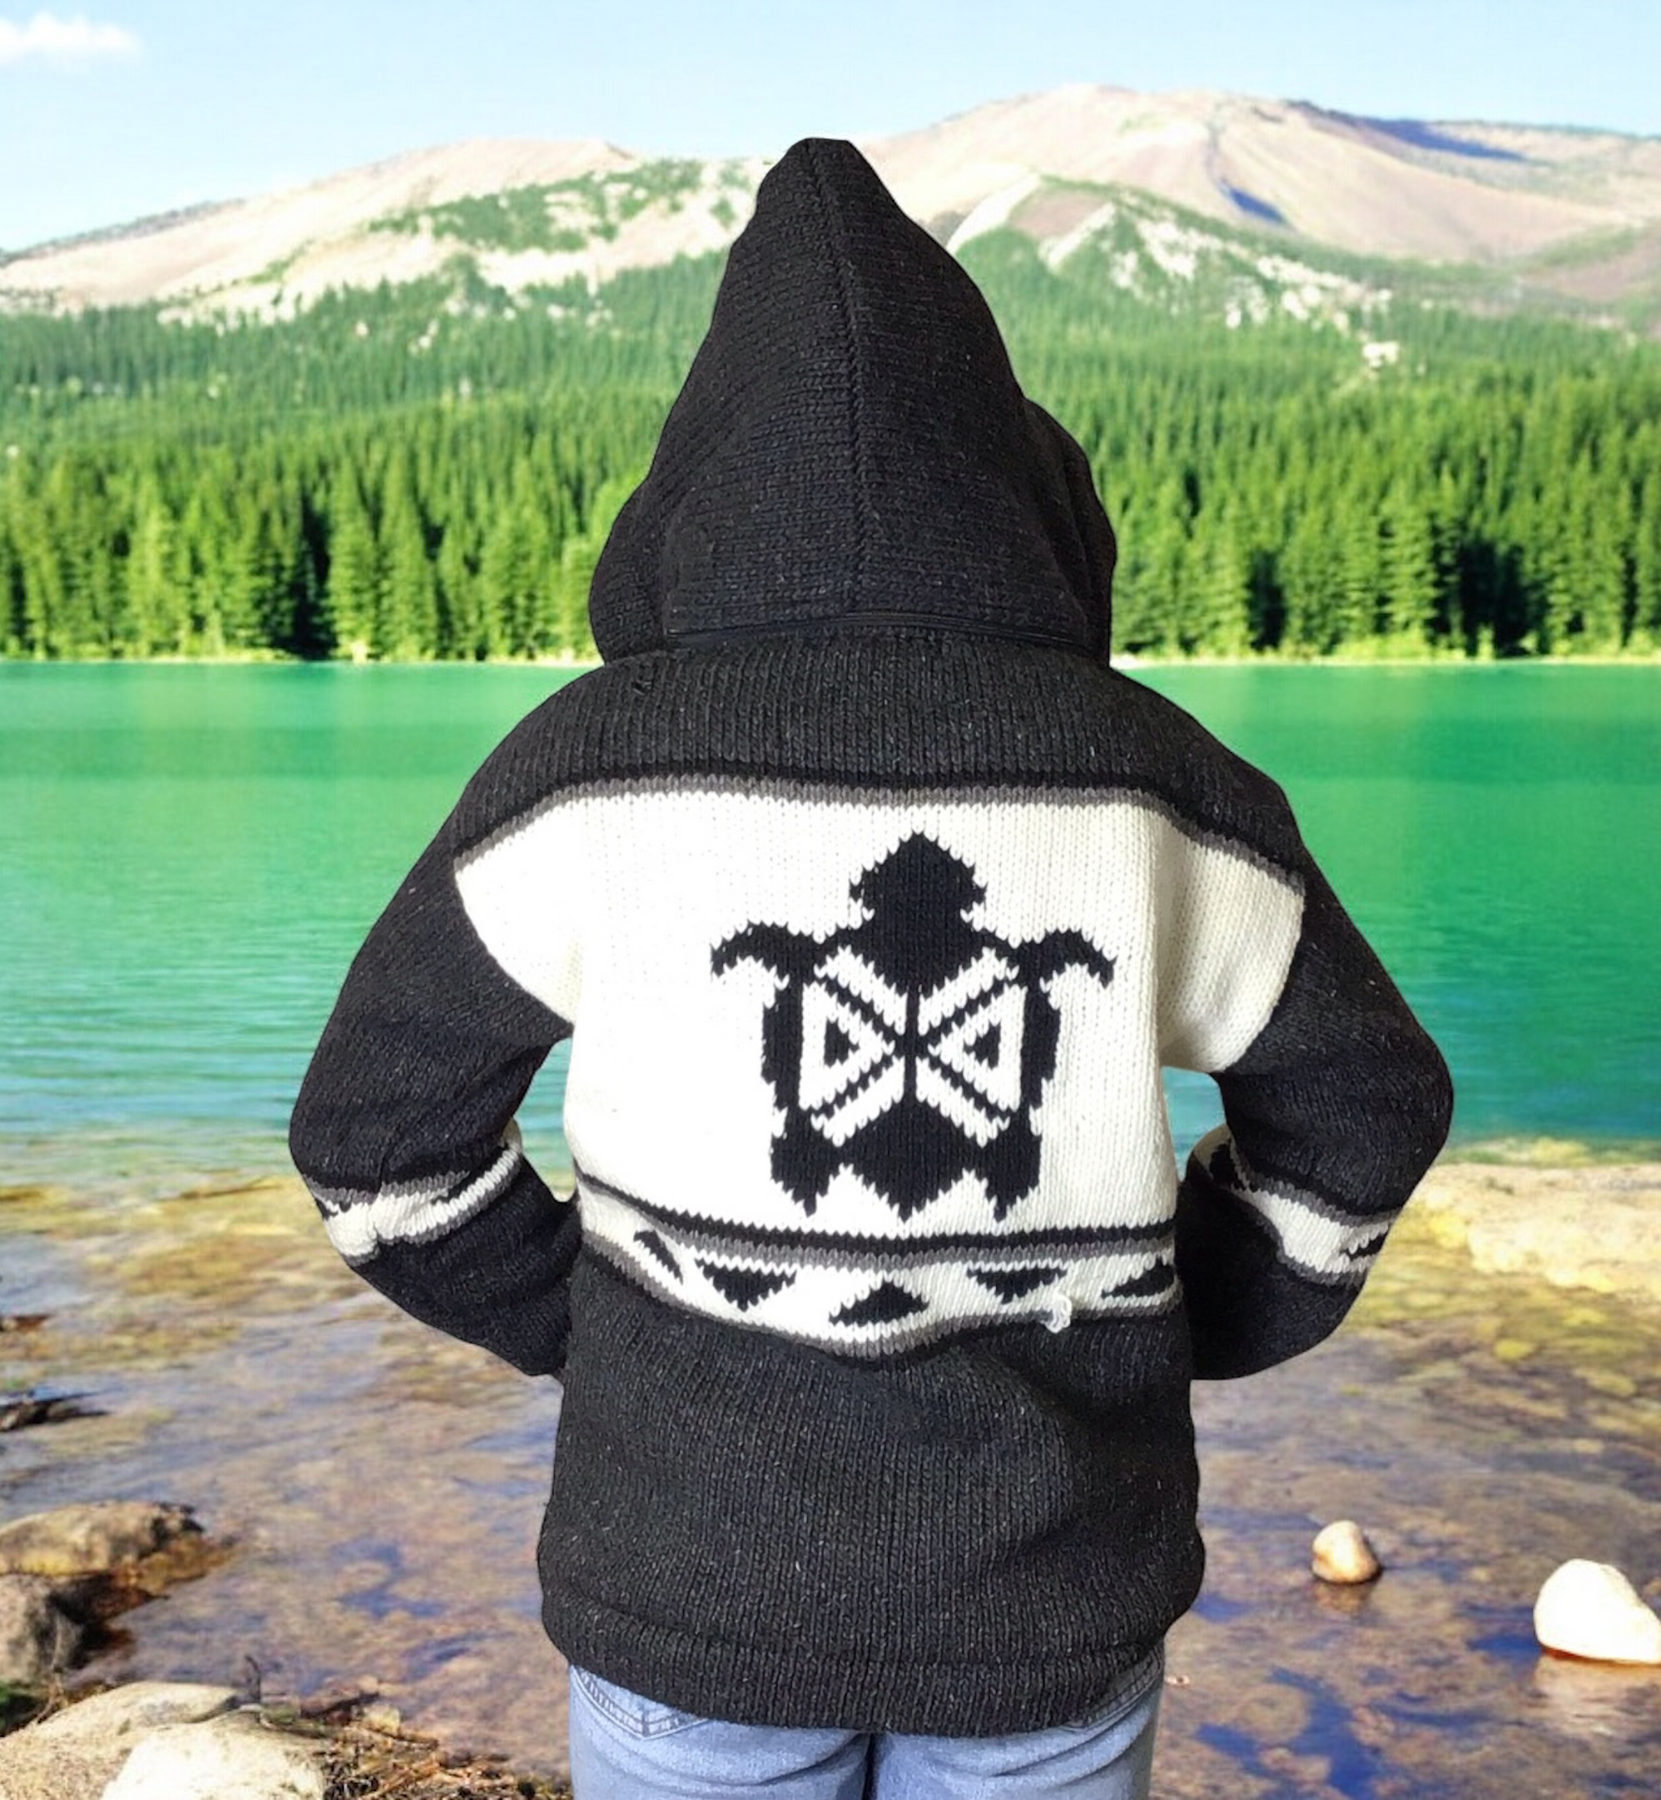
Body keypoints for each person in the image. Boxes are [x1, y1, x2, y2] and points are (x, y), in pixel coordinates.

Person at [288, 135, 1453, 1799]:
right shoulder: (1158, 781)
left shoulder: (584, 772)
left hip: (690, 1592)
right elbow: (1367, 1109)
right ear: (1023, 486)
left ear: (692, 491)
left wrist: (600, 1328)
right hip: (1051, 1598)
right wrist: (1186, 1309)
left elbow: (376, 1152)